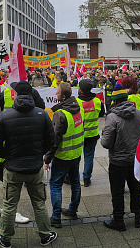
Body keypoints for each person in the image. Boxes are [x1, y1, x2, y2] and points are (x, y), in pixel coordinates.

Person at [0, 81, 57, 247]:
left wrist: (7, 156)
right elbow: (51, 141)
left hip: (13, 168)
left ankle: (5, 239)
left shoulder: (4, 116)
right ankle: (45, 235)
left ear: (16, 95)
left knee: (9, 205)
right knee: (39, 203)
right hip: (35, 167)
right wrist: (38, 153)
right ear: (32, 95)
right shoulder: (42, 114)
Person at [100, 85, 140, 231]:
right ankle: (139, 218)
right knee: (136, 189)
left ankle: (118, 220)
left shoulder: (112, 117)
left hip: (118, 162)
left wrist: (105, 134)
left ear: (114, 101)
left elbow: (106, 143)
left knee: (118, 191)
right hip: (136, 160)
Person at [44, 83, 84, 228]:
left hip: (63, 156)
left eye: (58, 92)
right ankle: (73, 210)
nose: (56, 94)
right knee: (75, 182)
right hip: (76, 153)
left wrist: (47, 159)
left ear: (64, 97)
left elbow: (54, 140)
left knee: (55, 184)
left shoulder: (60, 114)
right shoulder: (78, 108)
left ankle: (56, 217)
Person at [75, 80, 102, 187]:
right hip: (92, 134)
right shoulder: (97, 101)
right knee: (89, 156)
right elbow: (101, 113)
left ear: (81, 89)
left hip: (79, 135)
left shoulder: (76, 102)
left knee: (76, 157)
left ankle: (75, 177)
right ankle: (86, 178)